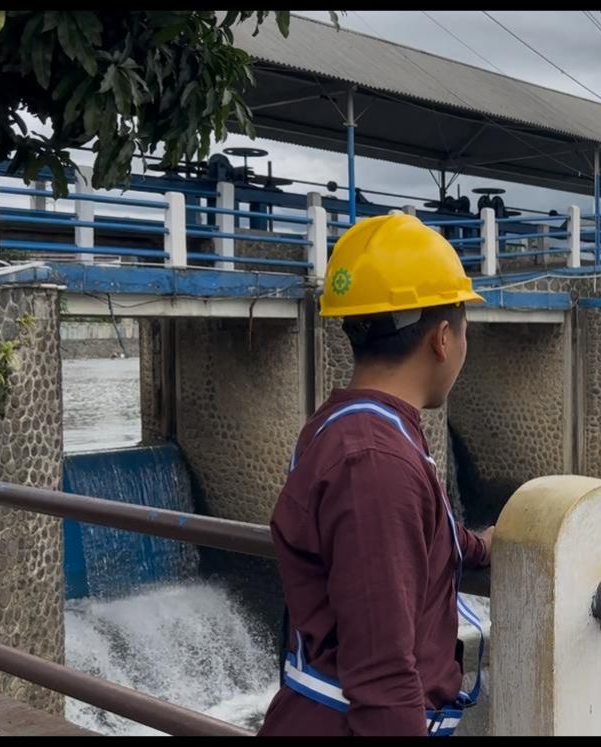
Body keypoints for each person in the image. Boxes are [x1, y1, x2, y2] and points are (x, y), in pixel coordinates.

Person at [258, 213, 491, 737]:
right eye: (465, 330)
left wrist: (480, 547)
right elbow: (382, 676)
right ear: (442, 338)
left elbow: (405, 541)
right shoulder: (375, 463)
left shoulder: (353, 426)